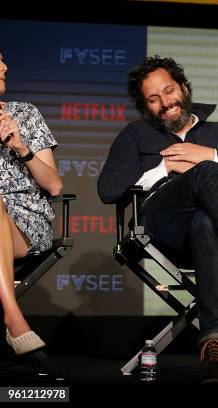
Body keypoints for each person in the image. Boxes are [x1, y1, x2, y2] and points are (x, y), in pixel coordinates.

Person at [97, 56, 218, 384]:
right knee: (206, 176)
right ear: (145, 107)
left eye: (169, 91)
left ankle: (214, 347)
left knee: (206, 218)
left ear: (184, 89)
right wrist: (165, 168)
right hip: (163, 228)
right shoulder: (136, 135)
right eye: (153, 99)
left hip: (214, 234)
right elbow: (108, 189)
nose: (165, 103)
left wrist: (211, 157)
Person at [0, 52, 63, 355]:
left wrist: (20, 146)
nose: (5, 66)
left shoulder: (23, 113)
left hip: (24, 225)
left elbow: (54, 184)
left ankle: (13, 319)